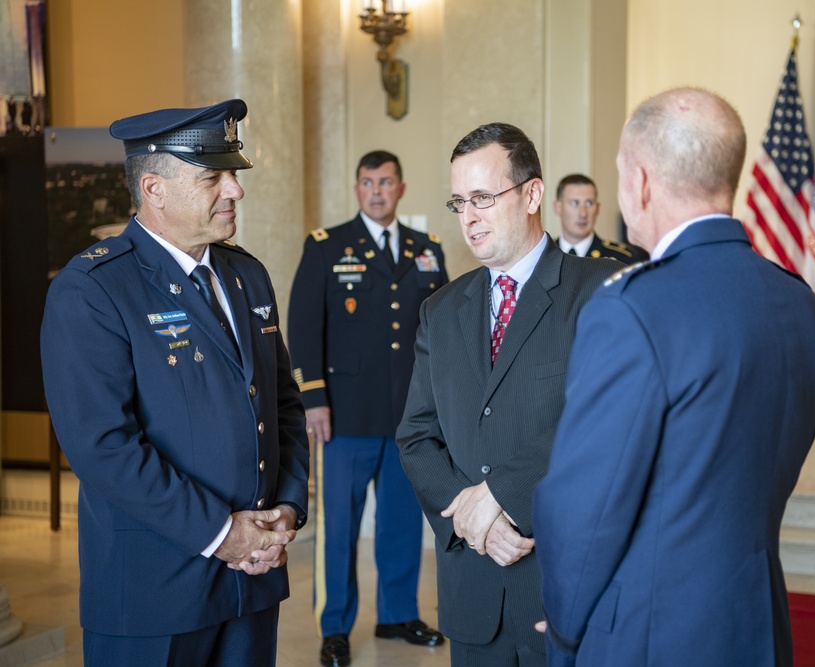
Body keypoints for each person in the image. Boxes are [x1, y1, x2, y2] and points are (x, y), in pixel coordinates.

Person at [533, 88, 815, 667]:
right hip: (759, 622)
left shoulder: (630, 309)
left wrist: (567, 630)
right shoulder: (797, 302)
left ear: (640, 181)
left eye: (621, 172)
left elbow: (582, 507)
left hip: (649, 633)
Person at [40, 99, 310, 667]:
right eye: (213, 177)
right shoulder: (95, 288)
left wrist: (284, 510)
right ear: (155, 189)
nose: (235, 190)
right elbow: (102, 447)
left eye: (232, 175)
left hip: (253, 580)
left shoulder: (247, 273)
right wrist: (222, 533)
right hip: (154, 591)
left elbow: (282, 403)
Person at [395, 122, 619, 667]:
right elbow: (417, 437)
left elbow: (608, 422)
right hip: (473, 588)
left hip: (562, 584)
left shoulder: (601, 291)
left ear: (532, 194)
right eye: (459, 202)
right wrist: (472, 524)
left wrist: (500, 497)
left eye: (483, 198)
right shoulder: (440, 311)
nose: (468, 217)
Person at [287, 150, 447, 667]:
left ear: (401, 188)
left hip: (408, 419)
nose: (376, 190)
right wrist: (313, 400)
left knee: (402, 523)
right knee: (340, 529)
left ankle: (398, 614)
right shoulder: (327, 247)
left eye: (385, 182)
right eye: (366, 182)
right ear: (357, 189)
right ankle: (334, 627)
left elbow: (438, 335)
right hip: (344, 418)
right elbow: (305, 328)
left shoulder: (427, 250)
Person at [553, 173, 647, 263]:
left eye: (589, 203)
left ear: (597, 208)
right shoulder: (543, 255)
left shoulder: (623, 258)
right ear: (557, 208)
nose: (583, 214)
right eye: (574, 203)